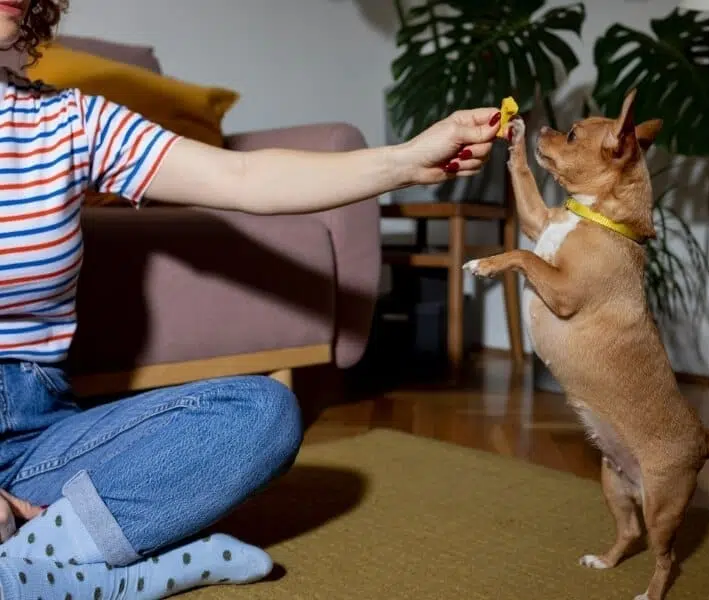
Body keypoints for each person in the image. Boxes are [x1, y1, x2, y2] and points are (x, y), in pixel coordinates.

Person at [0, 1, 503, 598]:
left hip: (38, 435)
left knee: (262, 413)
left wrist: (405, 162)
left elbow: (240, 179)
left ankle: (27, 567)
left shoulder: (69, 123)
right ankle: (70, 569)